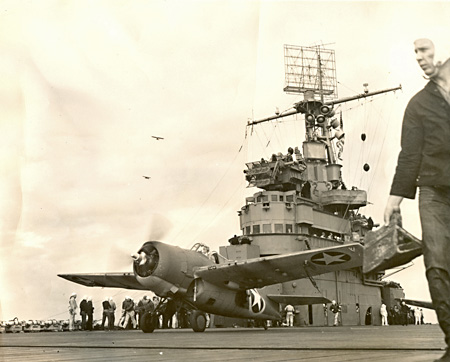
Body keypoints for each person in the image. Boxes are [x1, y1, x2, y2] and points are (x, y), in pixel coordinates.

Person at [384, 37, 450, 361]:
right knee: (436, 264)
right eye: (415, 53)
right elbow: (409, 156)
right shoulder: (417, 106)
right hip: (435, 193)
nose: (419, 58)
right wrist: (393, 200)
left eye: (425, 50)